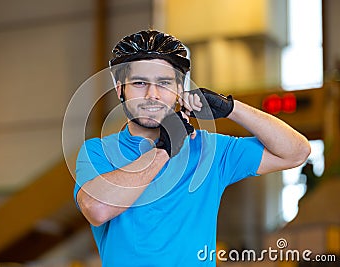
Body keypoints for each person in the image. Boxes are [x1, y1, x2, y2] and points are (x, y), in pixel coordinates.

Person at [73, 30, 311, 266]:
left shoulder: (209, 149)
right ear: (119, 89)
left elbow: (297, 152)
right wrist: (164, 150)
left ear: (179, 89)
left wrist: (231, 108)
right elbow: (97, 209)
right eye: (139, 83)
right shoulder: (98, 152)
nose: (152, 94)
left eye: (164, 83)